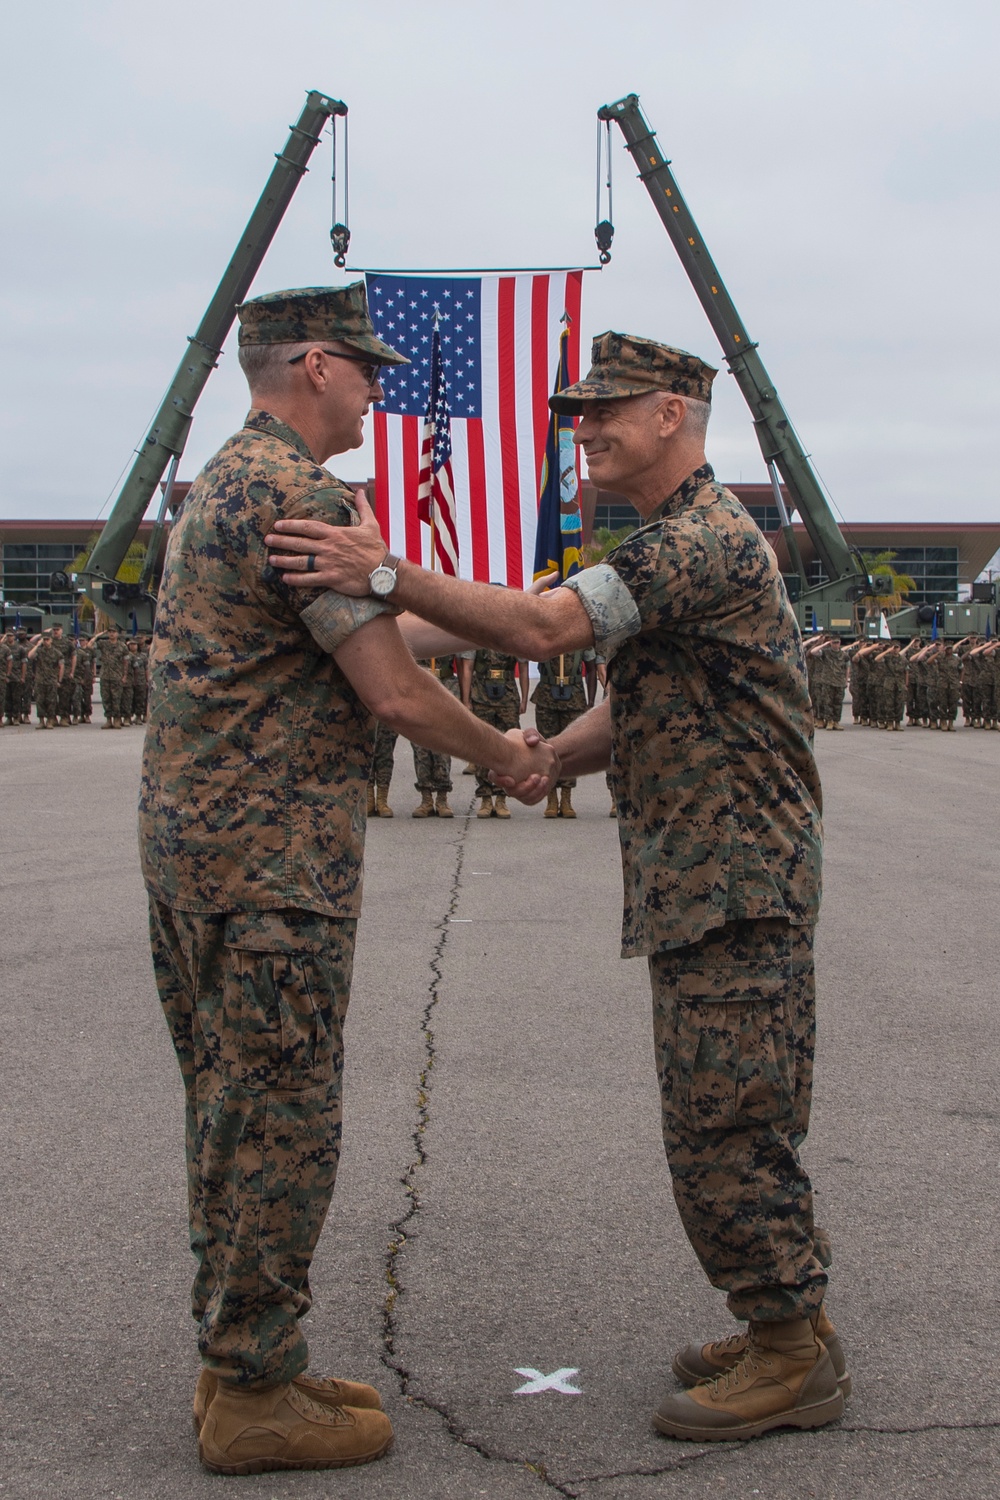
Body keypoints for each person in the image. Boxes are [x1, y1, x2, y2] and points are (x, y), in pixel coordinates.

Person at [266, 330, 843, 1443]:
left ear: (672, 414)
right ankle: (787, 1323)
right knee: (722, 1114)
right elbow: (637, 703)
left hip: (736, 881)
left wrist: (378, 571)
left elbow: (541, 626)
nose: (582, 431)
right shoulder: (676, 543)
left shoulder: (704, 540)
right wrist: (538, 754)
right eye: (576, 413)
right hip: (707, 878)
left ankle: (789, 1348)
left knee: (728, 1122)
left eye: (604, 411)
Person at [139, 282, 555, 1476]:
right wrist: (504, 759)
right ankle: (251, 1390)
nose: (378, 386)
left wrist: (499, 620)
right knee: (279, 1123)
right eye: (365, 367)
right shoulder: (297, 494)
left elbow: (366, 631)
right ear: (314, 364)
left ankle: (248, 1353)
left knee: (230, 1112)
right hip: (268, 867)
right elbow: (388, 691)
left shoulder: (230, 478)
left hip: (203, 861)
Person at [466, 642, 529, 819]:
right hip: (480, 694)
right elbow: (468, 667)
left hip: (507, 696)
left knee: (508, 747)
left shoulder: (511, 634)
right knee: (482, 746)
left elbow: (523, 666)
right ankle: (485, 797)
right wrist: (466, 700)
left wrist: (524, 698)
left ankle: (502, 797)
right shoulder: (474, 635)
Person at [531, 649, 597, 815]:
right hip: (547, 697)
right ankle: (551, 798)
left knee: (570, 749)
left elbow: (591, 669)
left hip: (574, 698)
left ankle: (566, 798)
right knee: (546, 747)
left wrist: (590, 701)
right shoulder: (546, 637)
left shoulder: (580, 641)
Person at [410, 657, 459, 817]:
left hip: (445, 684)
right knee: (420, 746)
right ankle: (426, 799)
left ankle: (442, 798)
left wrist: (464, 699)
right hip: (418, 685)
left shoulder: (449, 633)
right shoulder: (411, 633)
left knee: (443, 745)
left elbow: (463, 662)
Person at [28, 630, 63, 729]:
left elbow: (61, 666)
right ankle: (41, 721)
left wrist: (59, 680)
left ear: (51, 640)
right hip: (40, 680)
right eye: (44, 640)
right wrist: (38, 645)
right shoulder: (39, 651)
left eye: (47, 639)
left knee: (51, 702)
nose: (45, 641)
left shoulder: (56, 653)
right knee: (40, 701)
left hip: (51, 680)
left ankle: (50, 721)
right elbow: (30, 656)